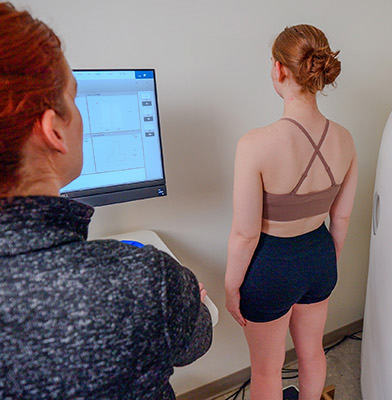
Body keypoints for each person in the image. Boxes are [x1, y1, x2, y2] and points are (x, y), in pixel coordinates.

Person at [0, 3, 212, 398]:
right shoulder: (145, 277)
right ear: (54, 132)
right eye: (74, 99)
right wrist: (184, 300)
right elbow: (197, 339)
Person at [224, 24, 356, 400]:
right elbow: (341, 218)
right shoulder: (345, 138)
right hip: (319, 255)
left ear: (279, 70)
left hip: (270, 266)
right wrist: (325, 262)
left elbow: (245, 234)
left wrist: (232, 286)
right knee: (312, 353)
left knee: (267, 371)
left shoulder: (255, 144)